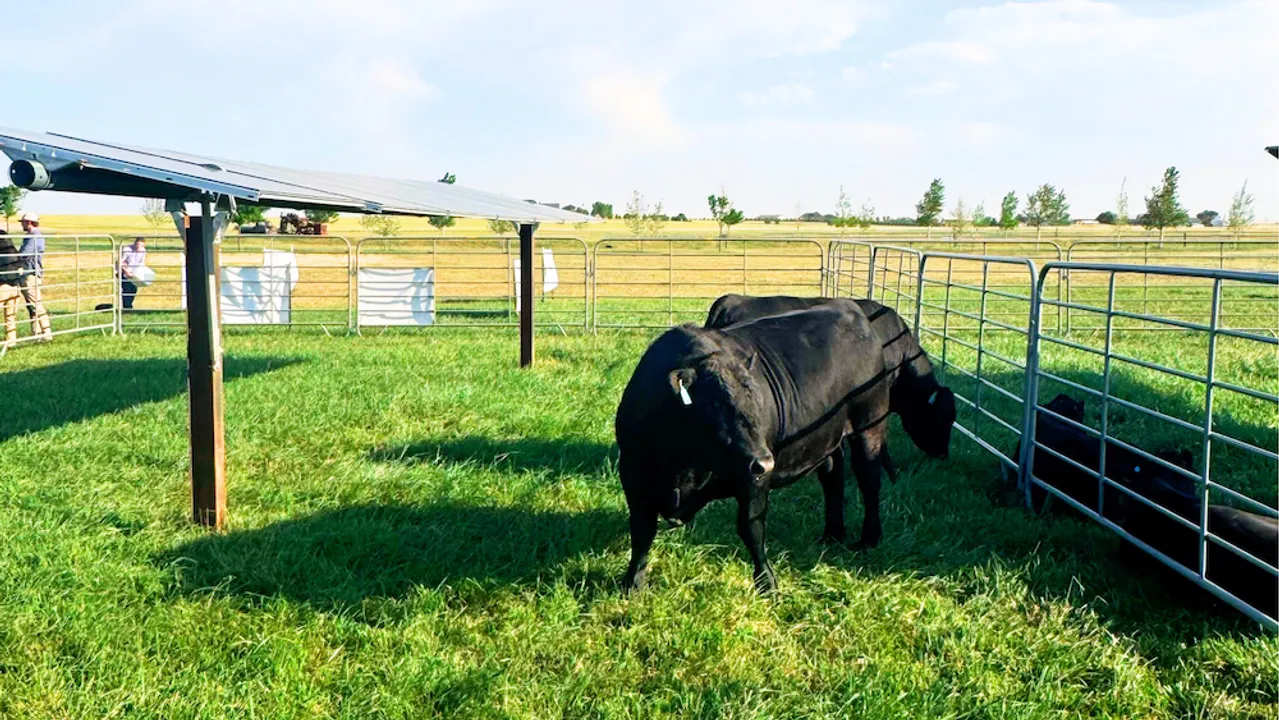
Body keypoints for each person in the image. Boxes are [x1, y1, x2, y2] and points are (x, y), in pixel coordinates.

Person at [18, 213, 51, 340]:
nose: (22, 224)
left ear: (29, 222)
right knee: (31, 304)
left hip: (30, 273)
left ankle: (46, 332)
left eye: (23, 222)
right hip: (31, 272)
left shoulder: (33, 237)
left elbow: (25, 254)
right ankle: (36, 333)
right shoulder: (34, 236)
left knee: (35, 303)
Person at [0, 230, 23, 348]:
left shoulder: (2, 255)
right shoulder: (13, 252)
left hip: (3, 286)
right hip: (15, 286)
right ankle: (11, 340)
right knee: (10, 315)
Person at [120, 237, 147, 310]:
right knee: (126, 289)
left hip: (135, 273)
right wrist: (126, 271)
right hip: (126, 272)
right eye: (138, 245)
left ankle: (129, 306)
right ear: (135, 243)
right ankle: (126, 307)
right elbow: (121, 262)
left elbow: (142, 263)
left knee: (133, 290)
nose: (139, 247)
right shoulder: (127, 249)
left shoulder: (143, 251)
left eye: (141, 246)